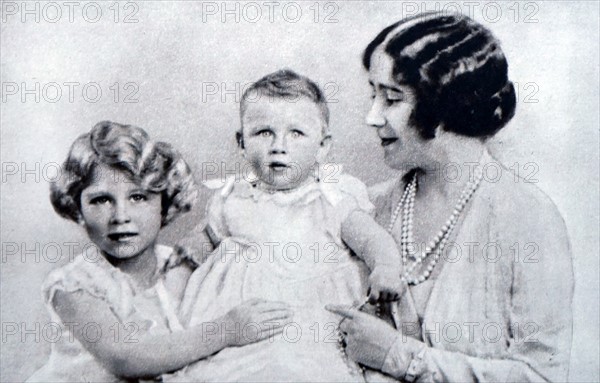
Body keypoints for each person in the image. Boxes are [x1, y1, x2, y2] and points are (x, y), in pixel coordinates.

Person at [327, 12, 574, 382]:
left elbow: (541, 376)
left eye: (391, 99)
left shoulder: (529, 219)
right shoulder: (366, 210)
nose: (372, 117)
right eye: (373, 95)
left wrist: (400, 356)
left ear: (444, 107)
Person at [168, 70, 405, 382]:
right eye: (264, 133)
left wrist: (385, 268)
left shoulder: (331, 198)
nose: (278, 146)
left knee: (298, 367)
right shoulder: (232, 197)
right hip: (235, 319)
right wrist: (190, 249)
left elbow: (373, 240)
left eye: (296, 134)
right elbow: (207, 235)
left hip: (308, 315)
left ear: (322, 147)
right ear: (241, 143)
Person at [28, 121, 293, 382]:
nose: (120, 216)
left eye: (138, 197)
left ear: (165, 203)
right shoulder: (75, 286)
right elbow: (125, 358)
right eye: (101, 200)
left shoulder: (182, 266)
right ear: (77, 207)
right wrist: (226, 330)